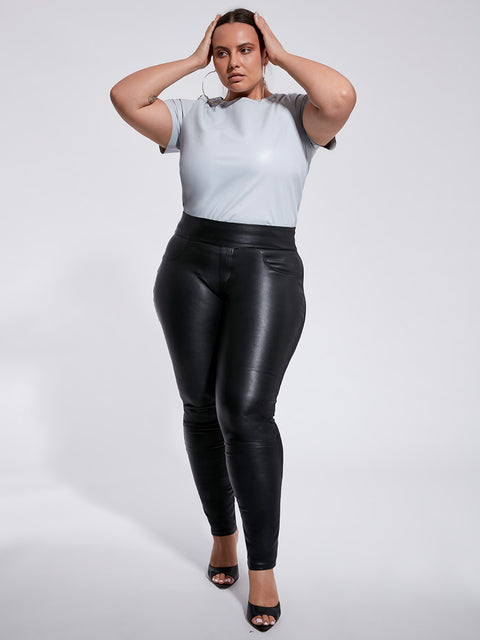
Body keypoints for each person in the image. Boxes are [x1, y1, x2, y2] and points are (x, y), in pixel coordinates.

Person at [110, 7, 356, 631]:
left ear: (264, 52)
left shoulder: (299, 114)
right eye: (223, 53)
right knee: (200, 409)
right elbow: (125, 96)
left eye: (246, 49)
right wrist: (193, 60)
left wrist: (281, 50)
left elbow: (341, 96)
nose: (233, 62)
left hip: (266, 265)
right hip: (189, 263)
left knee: (245, 413)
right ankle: (223, 536)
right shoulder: (192, 116)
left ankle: (263, 567)